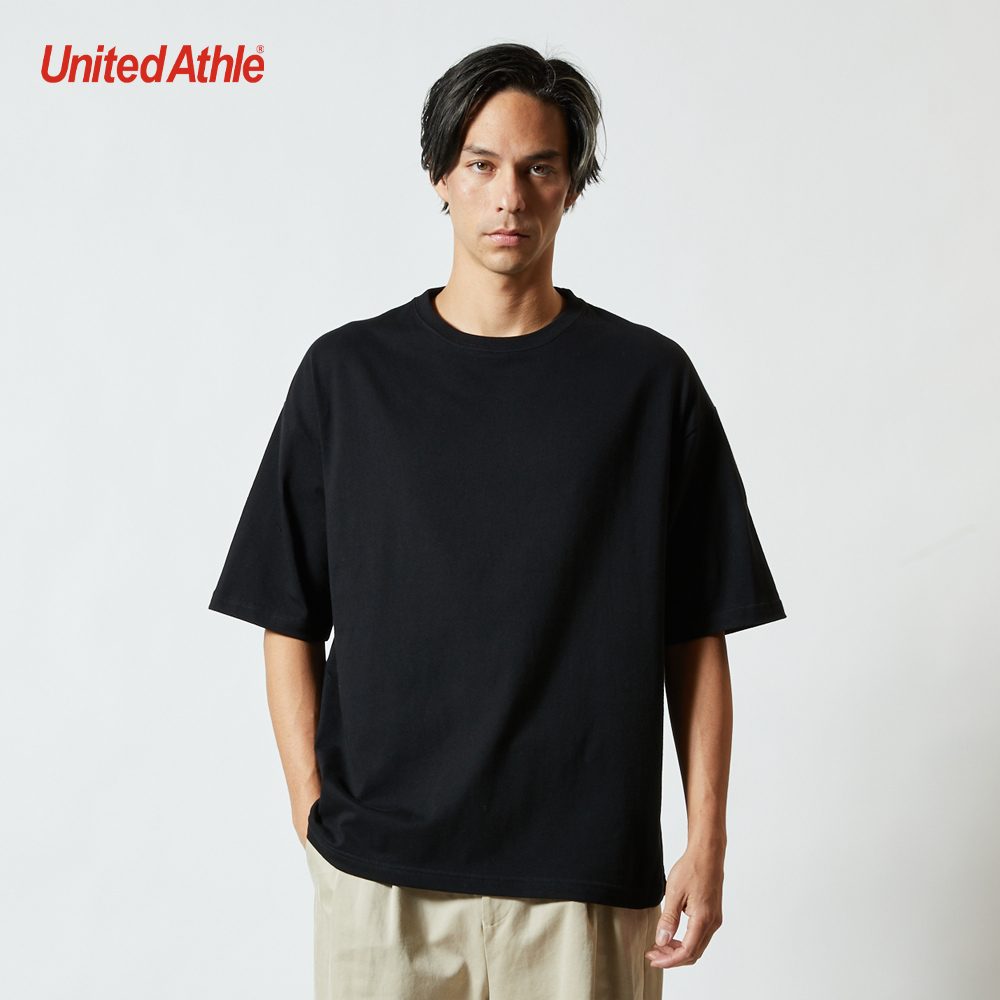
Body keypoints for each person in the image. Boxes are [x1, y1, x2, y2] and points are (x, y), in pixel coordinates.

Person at [209, 41, 785, 1000]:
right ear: (441, 175)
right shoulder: (347, 378)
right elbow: (286, 614)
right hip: (381, 882)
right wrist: (316, 821)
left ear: (572, 187)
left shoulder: (648, 385)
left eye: (539, 168)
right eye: (481, 165)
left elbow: (697, 633)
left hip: (584, 884)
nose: (509, 197)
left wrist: (708, 840)